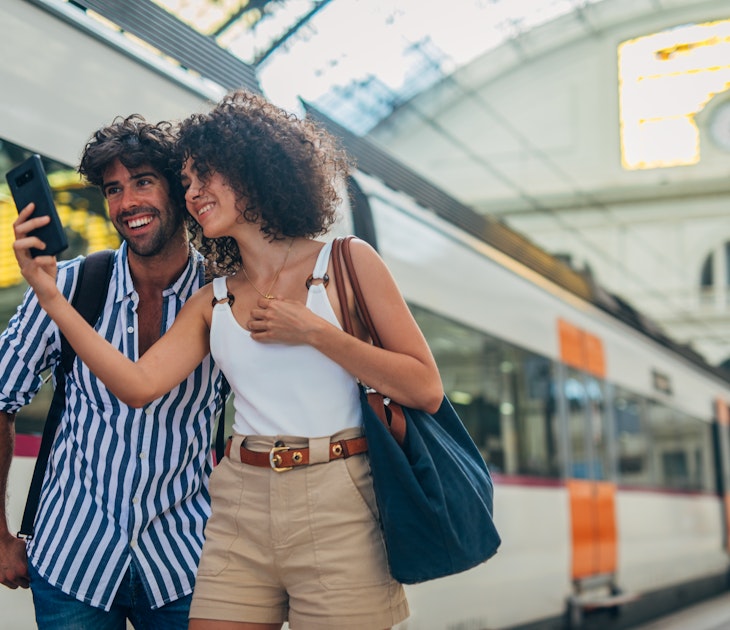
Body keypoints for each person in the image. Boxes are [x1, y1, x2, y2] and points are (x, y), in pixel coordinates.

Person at [13, 90, 444, 630]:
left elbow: (426, 388)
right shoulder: (214, 300)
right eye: (189, 181)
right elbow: (140, 384)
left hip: (330, 493)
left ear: (251, 172)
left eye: (201, 178)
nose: (193, 194)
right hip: (232, 502)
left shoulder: (348, 261)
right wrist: (50, 298)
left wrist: (313, 330)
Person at [1, 115, 225, 629]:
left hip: (185, 565)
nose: (126, 204)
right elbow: (1, 395)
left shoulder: (223, 299)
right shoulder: (67, 286)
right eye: (113, 189)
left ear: (179, 189)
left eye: (143, 181)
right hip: (71, 562)